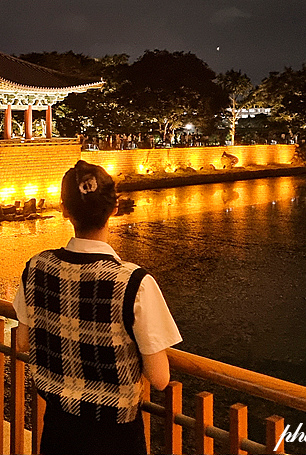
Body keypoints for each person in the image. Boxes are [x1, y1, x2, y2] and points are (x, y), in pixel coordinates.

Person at [13, 160, 182, 455]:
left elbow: (23, 341)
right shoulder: (133, 282)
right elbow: (159, 378)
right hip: (114, 435)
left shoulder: (36, 267)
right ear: (114, 209)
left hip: (58, 427)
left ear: (65, 210)